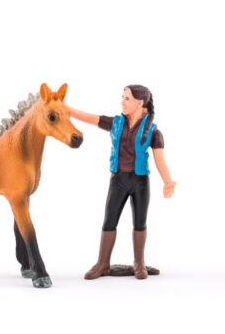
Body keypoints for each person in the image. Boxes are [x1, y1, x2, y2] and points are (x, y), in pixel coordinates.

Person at [68, 85, 176, 280]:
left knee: (140, 222)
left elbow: (160, 160)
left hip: (140, 182)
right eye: (123, 97)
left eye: (127, 99)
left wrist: (168, 182)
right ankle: (103, 263)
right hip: (118, 180)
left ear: (139, 103)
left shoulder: (153, 132)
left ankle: (139, 263)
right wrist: (67, 110)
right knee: (109, 220)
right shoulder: (116, 123)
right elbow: (91, 118)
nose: (122, 102)